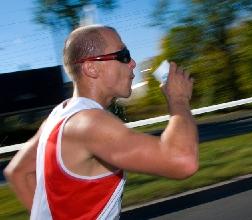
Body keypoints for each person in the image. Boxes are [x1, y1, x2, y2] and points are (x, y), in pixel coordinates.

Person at [4, 25, 198, 219]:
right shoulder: (90, 123)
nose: (132, 63)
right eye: (123, 55)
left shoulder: (59, 115)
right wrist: (178, 99)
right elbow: (182, 160)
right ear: (91, 67)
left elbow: (17, 172)